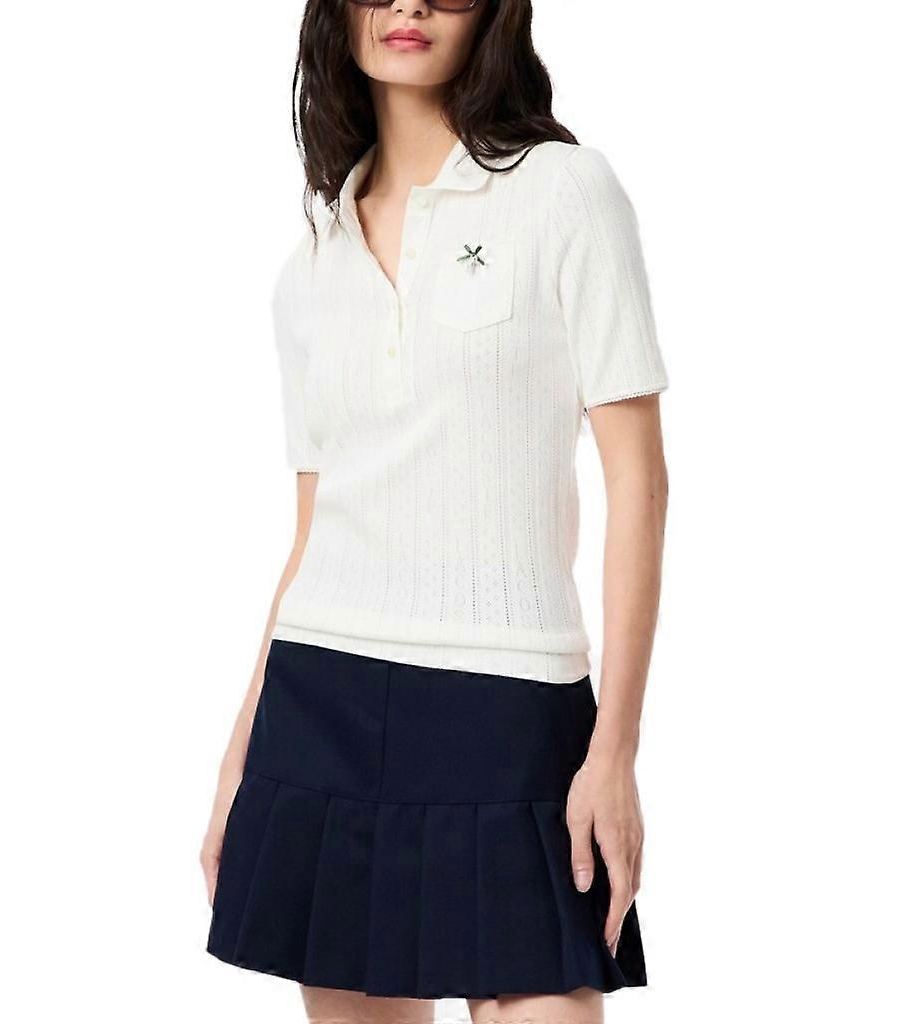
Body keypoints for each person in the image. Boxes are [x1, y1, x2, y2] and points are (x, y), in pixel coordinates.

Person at [201, 2, 670, 1022]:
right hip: (320, 703)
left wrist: (615, 750)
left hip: (512, 711)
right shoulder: (312, 258)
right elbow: (312, 530)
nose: (408, 4)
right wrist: (240, 754)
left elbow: (638, 480)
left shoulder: (564, 193)